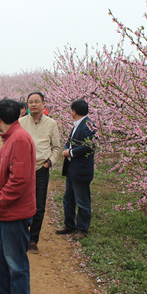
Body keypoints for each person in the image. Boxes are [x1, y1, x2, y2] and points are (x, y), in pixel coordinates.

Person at [0, 99, 36, 294]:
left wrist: (1, 200)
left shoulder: (20, 139)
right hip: (4, 212)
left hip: (14, 212)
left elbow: (20, 179)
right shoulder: (11, 137)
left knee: (15, 261)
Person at [19, 92, 61, 254]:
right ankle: (22, 236)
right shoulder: (21, 122)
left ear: (44, 104)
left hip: (41, 169)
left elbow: (56, 147)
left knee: (39, 205)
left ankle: (33, 239)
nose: (33, 104)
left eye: (37, 101)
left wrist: (49, 163)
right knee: (22, 202)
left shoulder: (51, 124)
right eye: (30, 102)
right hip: (23, 169)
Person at [55, 99, 97, 240]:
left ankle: (82, 229)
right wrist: (66, 148)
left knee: (82, 201)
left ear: (74, 111)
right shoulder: (78, 125)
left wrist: (70, 152)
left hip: (81, 170)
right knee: (68, 198)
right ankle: (69, 225)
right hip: (72, 169)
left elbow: (90, 146)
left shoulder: (88, 126)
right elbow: (70, 141)